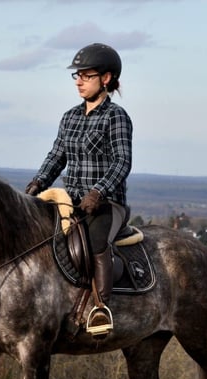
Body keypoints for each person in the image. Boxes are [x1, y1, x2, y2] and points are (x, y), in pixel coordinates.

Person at [25, 43, 132, 336]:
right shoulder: (69, 117)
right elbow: (56, 157)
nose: (79, 81)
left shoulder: (116, 117)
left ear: (106, 79)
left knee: (96, 242)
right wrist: (36, 185)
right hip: (69, 201)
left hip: (107, 204)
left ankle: (101, 308)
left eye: (86, 75)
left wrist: (98, 192)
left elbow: (123, 162)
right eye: (77, 76)